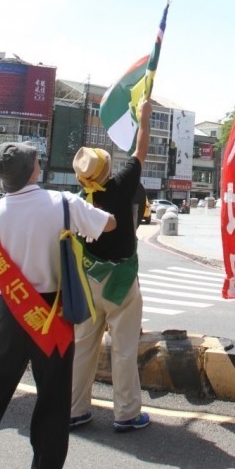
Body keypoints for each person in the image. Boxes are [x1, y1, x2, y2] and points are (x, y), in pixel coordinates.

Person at [0, 141, 115, 469]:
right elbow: (109, 225)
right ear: (33, 170)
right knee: (54, 401)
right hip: (54, 312)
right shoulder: (62, 203)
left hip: (9, 313)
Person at [69, 98, 152, 433]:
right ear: (106, 168)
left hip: (89, 279)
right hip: (120, 280)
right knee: (123, 347)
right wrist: (144, 118)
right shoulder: (120, 186)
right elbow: (141, 151)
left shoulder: (80, 201)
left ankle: (74, 409)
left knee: (83, 345)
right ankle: (126, 413)